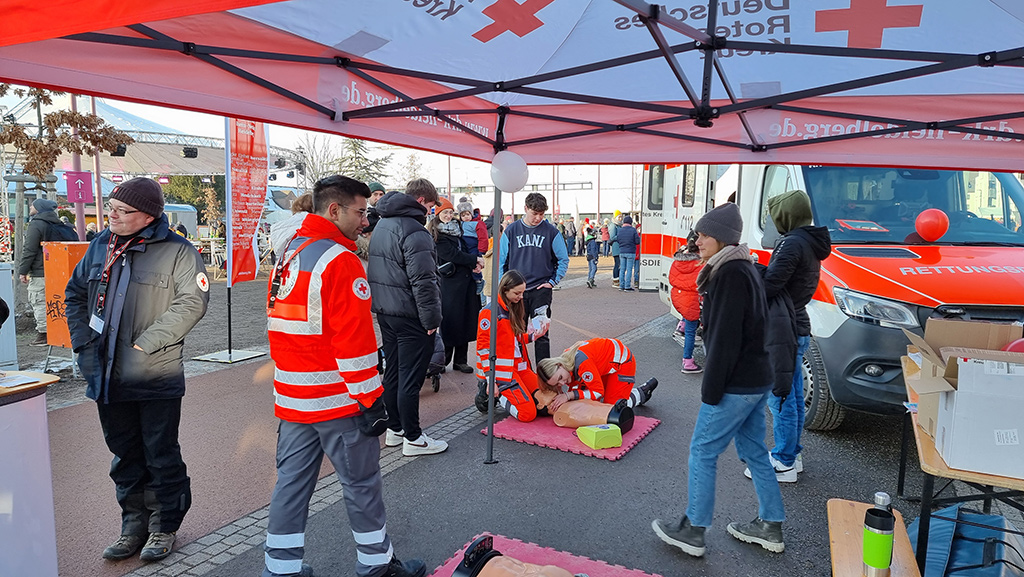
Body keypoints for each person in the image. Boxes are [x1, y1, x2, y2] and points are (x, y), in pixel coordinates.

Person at [265, 175, 425, 577]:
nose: (365, 221)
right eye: (359, 211)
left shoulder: (289, 252)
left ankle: (280, 569)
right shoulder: (340, 260)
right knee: (361, 485)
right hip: (337, 400)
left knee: (291, 486)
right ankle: (376, 565)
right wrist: (372, 400)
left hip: (292, 399)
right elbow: (353, 344)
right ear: (333, 210)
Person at [64, 177, 210, 562]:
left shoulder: (178, 251)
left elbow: (191, 303)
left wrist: (147, 342)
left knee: (159, 452)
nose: (111, 215)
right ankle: (133, 524)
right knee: (123, 452)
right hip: (105, 373)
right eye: (110, 206)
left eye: (121, 210)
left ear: (148, 215)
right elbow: (75, 294)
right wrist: (83, 344)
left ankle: (165, 526)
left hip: (153, 372)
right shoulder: (100, 246)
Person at [651, 202, 785, 558]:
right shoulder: (744, 267)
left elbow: (724, 339)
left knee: (703, 451)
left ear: (722, 238)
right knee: (755, 451)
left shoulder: (729, 274)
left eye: (704, 235)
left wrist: (710, 391)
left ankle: (694, 529)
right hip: (757, 379)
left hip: (737, 383)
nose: (697, 241)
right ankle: (770, 524)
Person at [743, 189, 831, 484]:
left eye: (775, 215)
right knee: (790, 396)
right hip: (797, 325)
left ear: (786, 215)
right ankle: (792, 454)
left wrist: (750, 265)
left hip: (783, 328)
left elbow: (769, 287)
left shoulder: (792, 244)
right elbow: (784, 280)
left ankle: (783, 461)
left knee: (779, 397)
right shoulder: (807, 242)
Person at [368, 178, 447, 456]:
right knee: (410, 378)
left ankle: (396, 428)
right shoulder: (415, 231)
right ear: (423, 202)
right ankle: (413, 438)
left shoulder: (383, 224)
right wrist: (431, 320)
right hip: (411, 313)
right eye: (431, 206)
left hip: (386, 311)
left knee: (393, 373)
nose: (432, 212)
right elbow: (424, 280)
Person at [498, 192, 569, 366]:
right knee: (516, 334)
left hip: (540, 291)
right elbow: (501, 261)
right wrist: (504, 287)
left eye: (541, 214)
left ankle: (544, 374)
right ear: (525, 209)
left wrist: (552, 282)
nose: (538, 218)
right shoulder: (512, 230)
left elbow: (563, 259)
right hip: (516, 292)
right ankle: (520, 370)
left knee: (542, 335)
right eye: (534, 214)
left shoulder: (551, 232)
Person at [474, 270, 549, 421]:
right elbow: (483, 348)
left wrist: (535, 335)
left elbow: (514, 340)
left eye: (522, 292)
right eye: (517, 293)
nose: (521, 297)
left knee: (545, 403)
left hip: (518, 367)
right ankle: (497, 394)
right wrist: (491, 380)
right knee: (527, 414)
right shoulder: (489, 312)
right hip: (503, 372)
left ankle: (500, 393)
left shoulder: (511, 307)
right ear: (505, 289)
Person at [429, 196, 483, 373]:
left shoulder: (458, 228)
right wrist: (474, 259)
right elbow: (452, 255)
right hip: (449, 283)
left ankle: (461, 360)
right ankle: (443, 360)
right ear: (438, 214)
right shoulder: (437, 234)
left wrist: (473, 264)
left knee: (466, 320)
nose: (449, 215)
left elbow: (464, 249)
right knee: (450, 321)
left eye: (451, 212)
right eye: (445, 212)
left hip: (465, 281)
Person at [536, 338, 658, 412]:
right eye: (557, 383)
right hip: (604, 367)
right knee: (584, 401)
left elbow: (598, 392)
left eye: (560, 378)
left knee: (611, 409)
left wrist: (569, 395)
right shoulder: (566, 361)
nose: (562, 384)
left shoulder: (582, 363)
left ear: (560, 364)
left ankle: (641, 393)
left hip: (622, 363)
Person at [19, 198, 74, 346]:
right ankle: (60, 330)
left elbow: (29, 250)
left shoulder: (36, 224)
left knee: (39, 300)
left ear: (39, 209)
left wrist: (23, 270)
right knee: (56, 300)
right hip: (59, 271)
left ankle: (43, 334)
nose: (31, 206)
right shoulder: (59, 224)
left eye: (33, 205)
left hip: (40, 271)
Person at [670, 232, 703, 374]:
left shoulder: (679, 259)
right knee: (691, 332)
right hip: (693, 301)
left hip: (679, 297)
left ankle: (681, 325)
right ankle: (687, 362)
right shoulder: (701, 263)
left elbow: (672, 278)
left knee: (688, 321)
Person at [616, 215, 640, 291]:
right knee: (629, 269)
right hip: (631, 251)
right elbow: (637, 241)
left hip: (622, 251)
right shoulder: (633, 230)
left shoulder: (620, 230)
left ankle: (621, 285)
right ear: (630, 222)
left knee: (622, 269)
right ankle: (627, 286)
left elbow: (618, 239)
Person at [609, 213, 621, 287]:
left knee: (619, 264)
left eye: (621, 217)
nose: (621, 218)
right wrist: (621, 236)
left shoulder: (619, 225)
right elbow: (612, 237)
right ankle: (615, 280)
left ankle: (617, 279)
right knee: (617, 264)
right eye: (619, 217)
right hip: (616, 247)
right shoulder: (613, 225)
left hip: (620, 247)